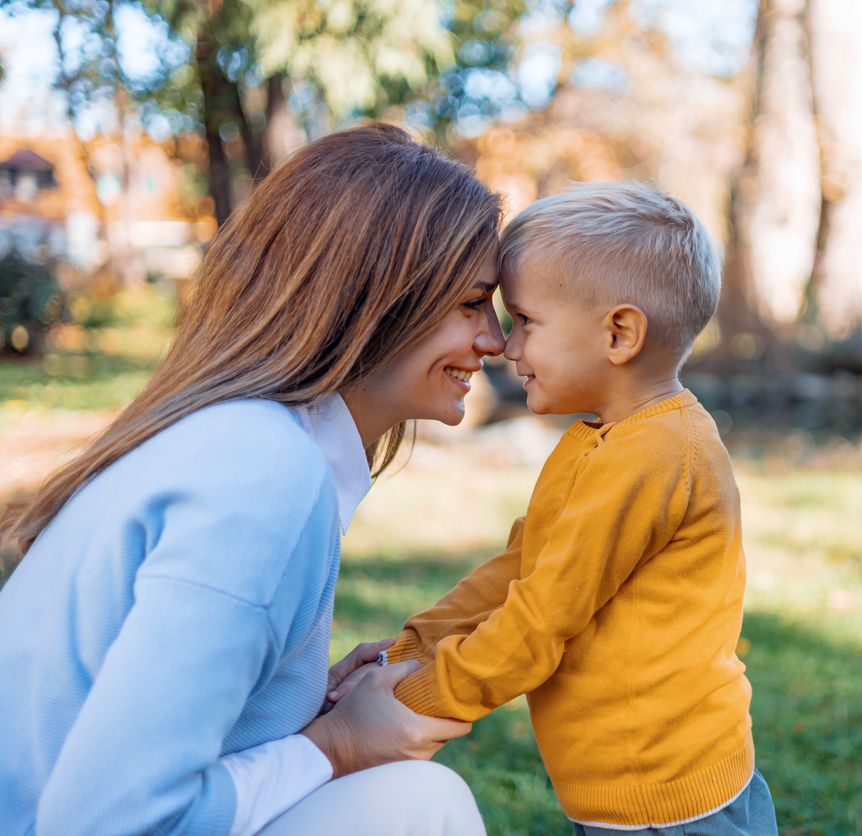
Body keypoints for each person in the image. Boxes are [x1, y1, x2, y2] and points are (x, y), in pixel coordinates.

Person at [0, 124, 505, 836]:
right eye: (471, 302)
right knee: (420, 807)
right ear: (376, 299)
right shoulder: (263, 475)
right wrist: (336, 746)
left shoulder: (248, 442)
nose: (498, 340)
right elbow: (104, 819)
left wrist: (301, 699)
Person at [332, 183, 779, 835]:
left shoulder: (655, 455)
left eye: (526, 323)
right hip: (621, 785)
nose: (506, 347)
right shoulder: (600, 438)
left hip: (667, 798)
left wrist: (414, 697)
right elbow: (521, 564)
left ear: (619, 334)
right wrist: (414, 646)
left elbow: (541, 621)